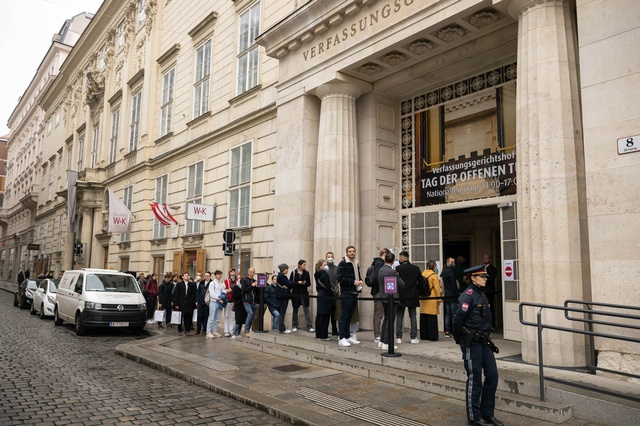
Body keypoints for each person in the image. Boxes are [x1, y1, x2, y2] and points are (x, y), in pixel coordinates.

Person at [453, 265, 502, 426]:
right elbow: (458, 319)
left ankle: (487, 414)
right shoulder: (468, 296)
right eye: (481, 277)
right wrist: (460, 339)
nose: (485, 279)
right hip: (472, 342)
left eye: (486, 277)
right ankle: (474, 417)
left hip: (484, 342)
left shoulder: (482, 293)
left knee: (493, 375)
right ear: (472, 278)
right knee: (475, 379)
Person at [376, 252, 405, 350]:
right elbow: (402, 284)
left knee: (386, 319)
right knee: (390, 320)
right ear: (393, 261)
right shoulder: (392, 272)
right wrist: (398, 275)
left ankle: (381, 340)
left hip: (383, 297)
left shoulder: (380, 270)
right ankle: (386, 342)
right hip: (392, 298)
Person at [395, 250, 424, 344]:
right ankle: (413, 337)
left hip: (401, 295)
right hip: (412, 294)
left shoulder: (398, 268)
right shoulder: (415, 268)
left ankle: (399, 337)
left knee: (400, 316)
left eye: (399, 258)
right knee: (413, 316)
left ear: (402, 258)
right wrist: (418, 290)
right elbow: (422, 282)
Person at [336, 246, 363, 347]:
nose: (352, 253)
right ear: (346, 253)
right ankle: (342, 337)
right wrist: (354, 282)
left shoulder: (356, 262)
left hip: (354, 292)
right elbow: (339, 278)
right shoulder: (343, 263)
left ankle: (347, 336)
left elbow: (357, 275)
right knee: (344, 315)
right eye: (350, 251)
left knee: (349, 315)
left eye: (353, 251)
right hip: (346, 292)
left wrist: (360, 281)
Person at [365, 248, 388, 343]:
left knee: (379, 313)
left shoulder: (377, 263)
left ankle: (379, 334)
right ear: (385, 254)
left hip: (378, 291)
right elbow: (377, 278)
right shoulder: (380, 263)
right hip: (379, 291)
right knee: (379, 314)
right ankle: (377, 335)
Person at [289, 260, 314, 332]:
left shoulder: (306, 273)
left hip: (304, 293)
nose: (305, 266)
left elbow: (309, 283)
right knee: (295, 309)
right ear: (299, 265)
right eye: (303, 265)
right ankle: (294, 325)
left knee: (306, 309)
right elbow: (291, 283)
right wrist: (298, 282)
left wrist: (305, 283)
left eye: (305, 265)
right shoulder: (294, 273)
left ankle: (309, 326)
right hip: (296, 294)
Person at [420, 260, 442, 341]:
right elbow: (436, 288)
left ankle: (424, 335)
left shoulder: (423, 273)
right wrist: (439, 298)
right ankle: (432, 336)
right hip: (431, 296)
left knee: (424, 316)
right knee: (432, 317)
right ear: (434, 266)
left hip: (423, 297)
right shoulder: (434, 275)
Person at [314, 259, 334, 340]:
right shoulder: (324, 274)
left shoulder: (317, 274)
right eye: (324, 265)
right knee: (325, 316)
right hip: (325, 296)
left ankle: (318, 334)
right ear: (320, 266)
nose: (326, 266)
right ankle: (323, 335)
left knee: (320, 315)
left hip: (320, 294)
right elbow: (328, 287)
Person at [442, 256, 458, 338]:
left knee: (448, 314)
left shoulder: (444, 271)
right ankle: (454, 331)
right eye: (451, 261)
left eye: (454, 261)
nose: (453, 263)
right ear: (447, 262)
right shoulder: (451, 272)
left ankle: (447, 330)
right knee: (454, 314)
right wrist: (456, 294)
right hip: (452, 295)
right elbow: (453, 285)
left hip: (446, 295)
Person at [206, 270, 226, 338]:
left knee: (217, 318)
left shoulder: (221, 284)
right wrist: (219, 298)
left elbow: (223, 292)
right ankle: (208, 332)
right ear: (215, 275)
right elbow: (212, 293)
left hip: (219, 303)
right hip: (213, 302)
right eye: (218, 274)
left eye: (220, 274)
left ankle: (214, 331)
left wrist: (223, 297)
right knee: (211, 317)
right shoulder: (212, 283)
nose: (219, 276)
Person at [276, 264, 293, 333]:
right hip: (282, 296)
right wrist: (288, 285)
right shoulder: (281, 276)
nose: (287, 270)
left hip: (282, 296)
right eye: (286, 269)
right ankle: (282, 328)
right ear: (284, 269)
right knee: (282, 312)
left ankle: (282, 327)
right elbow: (289, 284)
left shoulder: (281, 276)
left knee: (282, 312)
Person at [324, 252, 339, 336]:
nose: (330, 258)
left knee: (334, 312)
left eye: (331, 256)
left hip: (335, 293)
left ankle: (334, 329)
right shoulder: (324, 268)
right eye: (328, 257)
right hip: (327, 293)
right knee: (326, 312)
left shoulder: (337, 268)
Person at [483, 254, 498, 329]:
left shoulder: (492, 269)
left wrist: (484, 279)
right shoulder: (482, 268)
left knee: (490, 308)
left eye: (487, 258)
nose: (485, 259)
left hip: (489, 291)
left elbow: (491, 279)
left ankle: (491, 324)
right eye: (484, 258)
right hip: (483, 291)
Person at [241, 267, 257, 337]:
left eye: (253, 272)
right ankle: (246, 330)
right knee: (250, 314)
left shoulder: (254, 280)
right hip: (246, 301)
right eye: (251, 272)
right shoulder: (245, 280)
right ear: (248, 272)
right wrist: (252, 286)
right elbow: (244, 290)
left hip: (253, 301)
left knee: (252, 316)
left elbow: (256, 292)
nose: (252, 273)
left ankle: (249, 329)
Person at [222, 269, 237, 337]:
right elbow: (223, 290)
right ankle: (226, 331)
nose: (233, 272)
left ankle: (231, 330)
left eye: (233, 271)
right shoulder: (226, 281)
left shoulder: (238, 280)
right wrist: (228, 290)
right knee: (226, 316)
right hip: (228, 300)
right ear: (229, 273)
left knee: (233, 317)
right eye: (231, 271)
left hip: (234, 301)